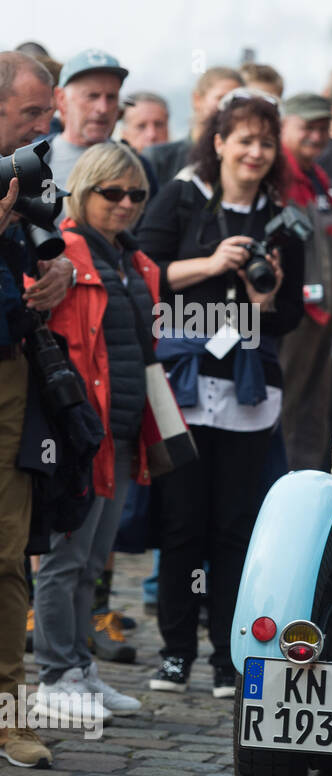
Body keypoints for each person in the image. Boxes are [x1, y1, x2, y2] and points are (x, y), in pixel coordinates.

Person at [136, 90, 305, 698]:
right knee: (183, 523)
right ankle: (176, 652)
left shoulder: (283, 219)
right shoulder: (182, 198)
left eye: (265, 141)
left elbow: (288, 315)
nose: (255, 151)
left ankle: (228, 657)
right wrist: (210, 264)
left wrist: (263, 305)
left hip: (248, 388)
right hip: (183, 382)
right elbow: (144, 273)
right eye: (244, 140)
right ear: (218, 143)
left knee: (234, 527)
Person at [30, 143, 168, 727]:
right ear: (84, 191)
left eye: (136, 194)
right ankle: (56, 674)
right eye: (112, 193)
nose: (126, 204)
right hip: (79, 430)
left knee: (91, 561)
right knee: (65, 559)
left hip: (120, 429)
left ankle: (80, 666)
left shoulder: (131, 260)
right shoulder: (65, 251)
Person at [0, 50, 61, 768]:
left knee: (10, 552)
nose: (47, 126)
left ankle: (9, 715)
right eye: (32, 115)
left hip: (11, 372)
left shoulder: (31, 172)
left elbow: (57, 245)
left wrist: (63, 268)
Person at [278, 92, 332, 472]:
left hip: (323, 315)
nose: (316, 135)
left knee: (314, 409)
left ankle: (305, 486)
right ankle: (278, 489)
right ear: (284, 126)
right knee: (288, 407)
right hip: (293, 316)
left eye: (323, 128)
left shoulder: (316, 176)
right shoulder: (278, 175)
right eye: (307, 126)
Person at [143, 67, 242, 184]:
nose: (228, 106)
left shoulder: (242, 161)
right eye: (221, 98)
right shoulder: (160, 158)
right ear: (197, 100)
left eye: (236, 101)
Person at [47, 49, 130, 189]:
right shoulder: (35, 162)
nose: (103, 108)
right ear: (61, 99)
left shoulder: (136, 166)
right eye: (92, 96)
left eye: (111, 97)